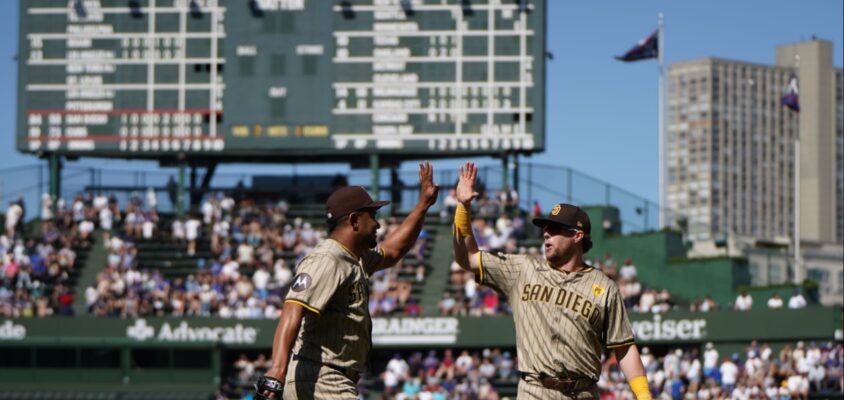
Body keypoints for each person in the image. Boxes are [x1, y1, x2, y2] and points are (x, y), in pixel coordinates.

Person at [451, 162, 651, 399]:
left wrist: (645, 397)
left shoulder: (605, 288)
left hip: (582, 392)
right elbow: (469, 259)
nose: (546, 233)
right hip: (535, 389)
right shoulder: (522, 269)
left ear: (577, 236)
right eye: (545, 228)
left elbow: (624, 348)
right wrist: (463, 208)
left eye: (555, 229)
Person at [255, 162, 438, 400]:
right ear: (354, 221)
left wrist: (423, 204)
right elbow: (292, 309)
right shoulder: (327, 259)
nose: (378, 224)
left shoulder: (354, 258)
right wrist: (278, 368)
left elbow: (393, 251)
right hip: (321, 378)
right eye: (371, 216)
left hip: (330, 378)